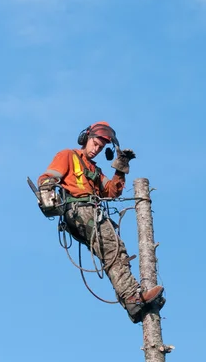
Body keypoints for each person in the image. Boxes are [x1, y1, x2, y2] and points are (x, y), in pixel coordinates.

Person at [38, 121, 164, 323]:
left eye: (101, 147)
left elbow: (112, 191)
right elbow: (47, 177)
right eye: (95, 143)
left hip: (88, 212)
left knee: (113, 251)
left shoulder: (94, 170)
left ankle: (132, 304)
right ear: (86, 139)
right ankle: (132, 296)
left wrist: (121, 167)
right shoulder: (68, 156)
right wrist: (47, 192)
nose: (97, 149)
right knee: (113, 248)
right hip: (79, 211)